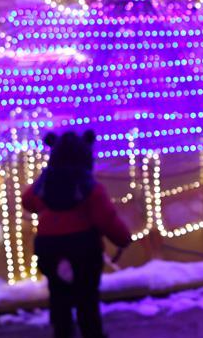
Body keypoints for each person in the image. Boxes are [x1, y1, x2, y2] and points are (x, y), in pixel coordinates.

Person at [23, 130, 132, 338]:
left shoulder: (47, 183)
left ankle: (62, 333)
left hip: (50, 248)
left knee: (58, 296)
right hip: (83, 249)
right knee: (87, 298)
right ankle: (92, 333)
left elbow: (29, 202)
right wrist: (123, 239)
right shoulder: (90, 187)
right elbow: (106, 219)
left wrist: (46, 176)